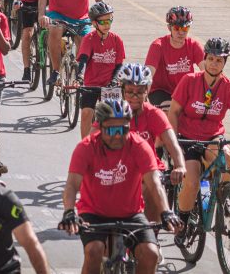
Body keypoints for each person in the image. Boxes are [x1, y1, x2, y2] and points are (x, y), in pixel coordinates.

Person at [59, 100, 181, 274]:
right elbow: (71, 185)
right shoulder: (85, 148)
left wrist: (166, 211)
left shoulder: (139, 145)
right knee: (93, 251)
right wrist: (69, 211)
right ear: (100, 127)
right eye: (111, 130)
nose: (117, 136)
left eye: (123, 130)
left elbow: (154, 183)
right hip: (94, 214)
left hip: (131, 214)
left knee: (151, 254)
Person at [167, 37, 230, 229]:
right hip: (188, 138)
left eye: (219, 60)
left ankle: (226, 196)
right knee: (192, 182)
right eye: (211, 59)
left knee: (227, 157)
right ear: (204, 59)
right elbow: (173, 111)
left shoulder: (228, 87)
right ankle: (183, 220)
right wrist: (172, 139)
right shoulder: (189, 81)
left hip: (212, 137)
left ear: (224, 63)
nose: (214, 64)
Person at [115, 63, 187, 221]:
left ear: (147, 91)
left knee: (151, 189)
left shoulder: (155, 114)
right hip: (117, 171)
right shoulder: (111, 113)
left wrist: (180, 166)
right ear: (122, 91)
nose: (134, 97)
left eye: (140, 92)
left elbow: (172, 143)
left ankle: (150, 239)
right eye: (129, 92)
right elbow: (91, 142)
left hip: (149, 172)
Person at [37, 0, 102, 90]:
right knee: (54, 31)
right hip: (58, 15)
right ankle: (55, 71)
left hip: (81, 17)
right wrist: (42, 15)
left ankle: (80, 73)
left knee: (86, 41)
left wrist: (104, 14)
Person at [73, 1, 125, 138]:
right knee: (86, 113)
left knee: (113, 117)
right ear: (94, 23)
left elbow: (119, 65)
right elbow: (83, 60)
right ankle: (85, 146)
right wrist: (79, 77)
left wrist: (114, 81)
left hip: (110, 85)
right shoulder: (89, 39)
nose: (107, 25)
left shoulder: (117, 40)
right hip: (91, 84)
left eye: (109, 21)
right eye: (103, 22)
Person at [144, 6, 204, 108]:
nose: (181, 32)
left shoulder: (194, 46)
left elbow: (208, 71)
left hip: (184, 91)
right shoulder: (158, 46)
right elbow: (148, 74)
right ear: (169, 28)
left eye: (185, 29)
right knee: (170, 109)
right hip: (161, 91)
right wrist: (143, 95)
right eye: (177, 28)